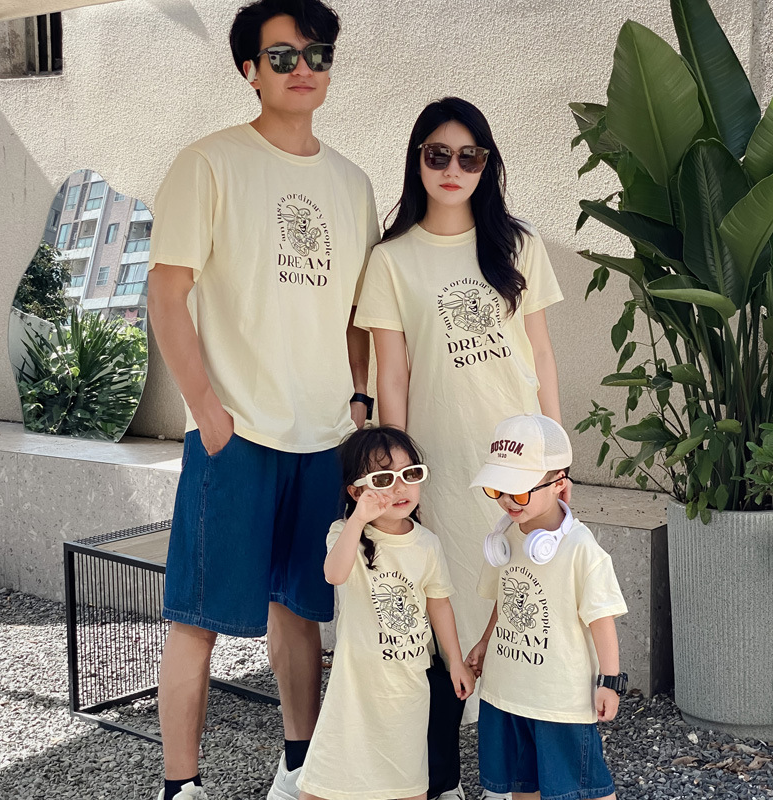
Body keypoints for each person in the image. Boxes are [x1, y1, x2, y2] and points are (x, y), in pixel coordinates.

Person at [146, 1, 379, 798]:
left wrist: (357, 403)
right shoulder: (208, 164)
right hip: (236, 435)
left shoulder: (352, 184)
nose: (302, 68)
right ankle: (182, 785)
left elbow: (354, 314)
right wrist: (209, 413)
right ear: (249, 69)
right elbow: (167, 294)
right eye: (282, 56)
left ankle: (300, 769)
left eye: (317, 54)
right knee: (197, 618)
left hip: (322, 436)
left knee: (301, 613)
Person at [354, 97, 564, 748]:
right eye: (438, 154)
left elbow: (542, 356)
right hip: (439, 459)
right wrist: (398, 478)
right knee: (444, 601)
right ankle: (440, 768)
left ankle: (512, 768)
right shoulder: (392, 259)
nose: (453, 169)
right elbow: (392, 375)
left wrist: (557, 460)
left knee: (523, 600)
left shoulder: (520, 245)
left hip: (518, 461)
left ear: (487, 165)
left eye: (470, 157)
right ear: (417, 160)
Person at [297, 426, 476, 800]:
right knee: (325, 781)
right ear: (356, 491)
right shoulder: (344, 532)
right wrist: (358, 520)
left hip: (408, 686)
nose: (399, 487)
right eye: (383, 479)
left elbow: (439, 603)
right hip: (355, 688)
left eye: (410, 474)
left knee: (407, 781)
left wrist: (456, 661)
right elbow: (334, 574)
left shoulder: (426, 543)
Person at [466, 413, 628, 800]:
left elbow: (601, 619)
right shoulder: (504, 538)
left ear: (559, 484)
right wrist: (486, 641)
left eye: (519, 492)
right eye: (497, 489)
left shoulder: (581, 550)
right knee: (522, 784)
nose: (507, 501)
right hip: (507, 691)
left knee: (584, 786)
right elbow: (506, 598)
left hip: (559, 699)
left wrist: (610, 682)